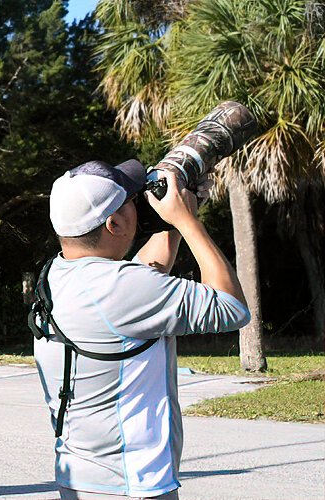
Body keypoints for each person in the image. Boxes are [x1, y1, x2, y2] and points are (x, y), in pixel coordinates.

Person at [33, 160, 250, 500]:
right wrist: (188, 222)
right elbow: (231, 307)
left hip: (80, 477)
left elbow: (145, 276)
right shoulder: (121, 287)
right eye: (130, 202)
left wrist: (172, 223)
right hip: (131, 483)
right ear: (113, 223)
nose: (138, 205)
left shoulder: (57, 274)